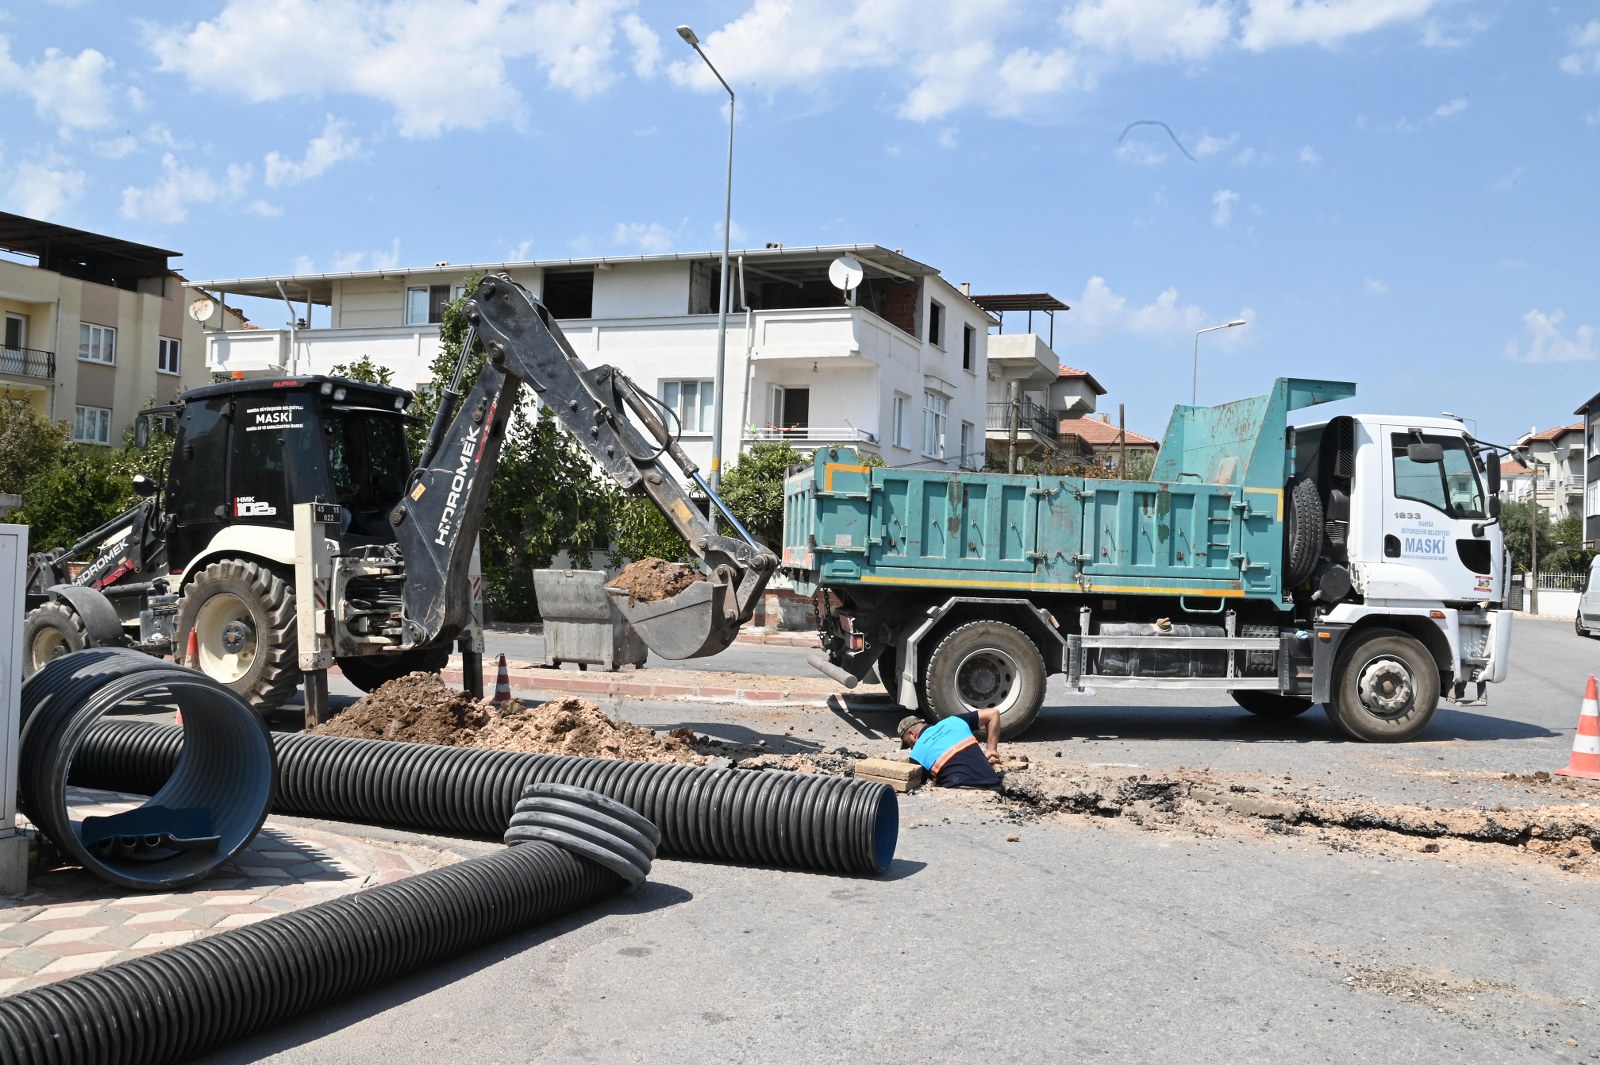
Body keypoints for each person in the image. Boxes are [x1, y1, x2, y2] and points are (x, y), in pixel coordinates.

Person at [898, 708, 1002, 788]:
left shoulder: (916, 754)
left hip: (963, 790)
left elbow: (921, 782)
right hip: (994, 782)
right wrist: (991, 750)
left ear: (912, 734)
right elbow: (993, 713)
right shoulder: (954, 721)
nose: (912, 748)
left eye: (909, 744)